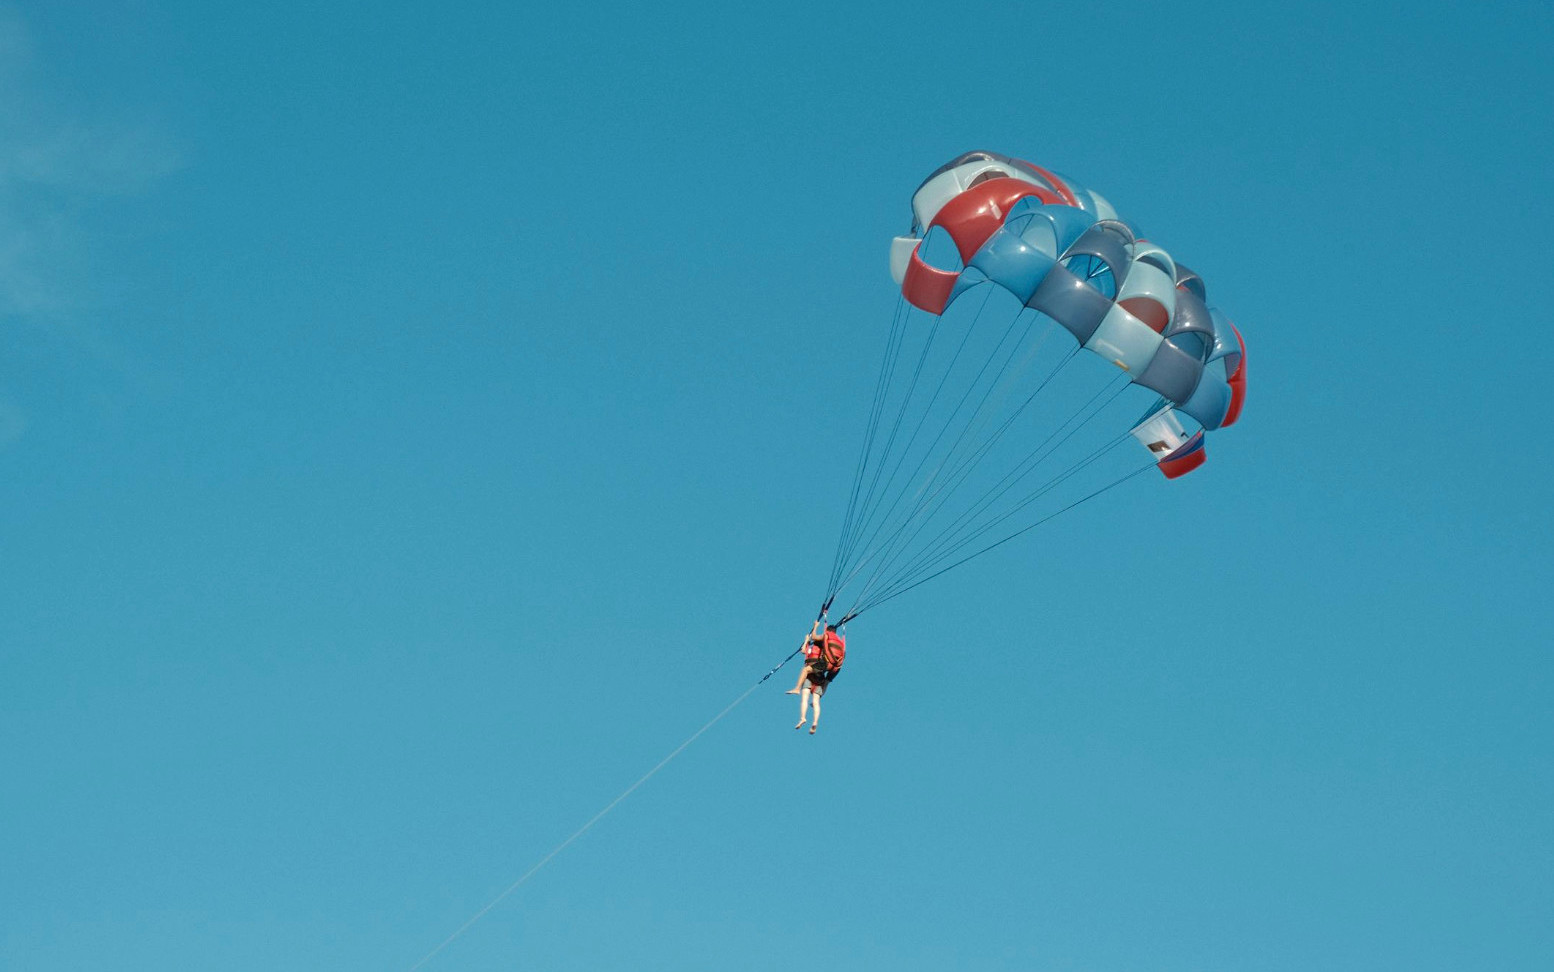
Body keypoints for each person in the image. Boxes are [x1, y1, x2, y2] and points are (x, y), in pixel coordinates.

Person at [787, 621, 845, 734]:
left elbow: (805, 649)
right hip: (824, 674)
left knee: (804, 696)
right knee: (817, 700)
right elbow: (805, 649)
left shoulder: (820, 642)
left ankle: (798, 694)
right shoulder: (835, 643)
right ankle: (815, 722)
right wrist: (807, 640)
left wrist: (814, 627)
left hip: (811, 675)